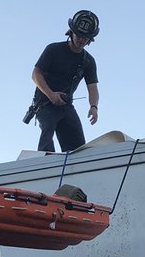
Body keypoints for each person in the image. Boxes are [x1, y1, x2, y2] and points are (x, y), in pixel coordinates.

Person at [28, 10, 100, 153]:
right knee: (47, 132)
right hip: (45, 102)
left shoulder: (88, 61)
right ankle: (46, 165)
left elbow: (92, 88)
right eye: (79, 35)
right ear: (71, 32)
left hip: (66, 105)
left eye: (85, 38)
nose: (81, 40)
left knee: (78, 146)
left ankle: (76, 168)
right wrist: (50, 94)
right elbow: (36, 74)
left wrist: (94, 107)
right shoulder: (54, 49)